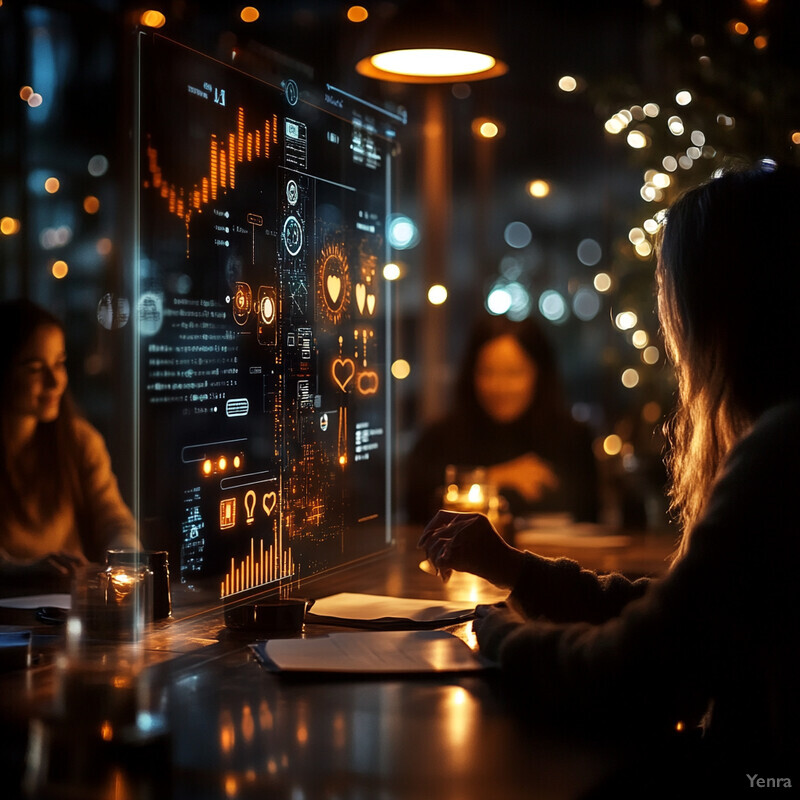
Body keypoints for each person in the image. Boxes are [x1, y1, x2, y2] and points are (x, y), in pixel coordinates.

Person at [418, 163, 800, 786]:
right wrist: (515, 570)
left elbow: (635, 672)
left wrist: (500, 635)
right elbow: (680, 615)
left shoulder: (781, 453)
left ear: (723, 309)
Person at [0, 299, 138, 593]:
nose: (54, 381)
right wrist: (20, 571)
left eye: (59, 363)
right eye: (35, 368)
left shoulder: (80, 442)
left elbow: (113, 519)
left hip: (67, 614)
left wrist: (124, 557)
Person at [405, 313, 598, 524]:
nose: (499, 386)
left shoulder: (572, 438)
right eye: (487, 372)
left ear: (539, 375)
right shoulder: (440, 438)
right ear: (471, 375)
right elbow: (416, 507)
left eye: (513, 373)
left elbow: (590, 516)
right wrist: (495, 477)